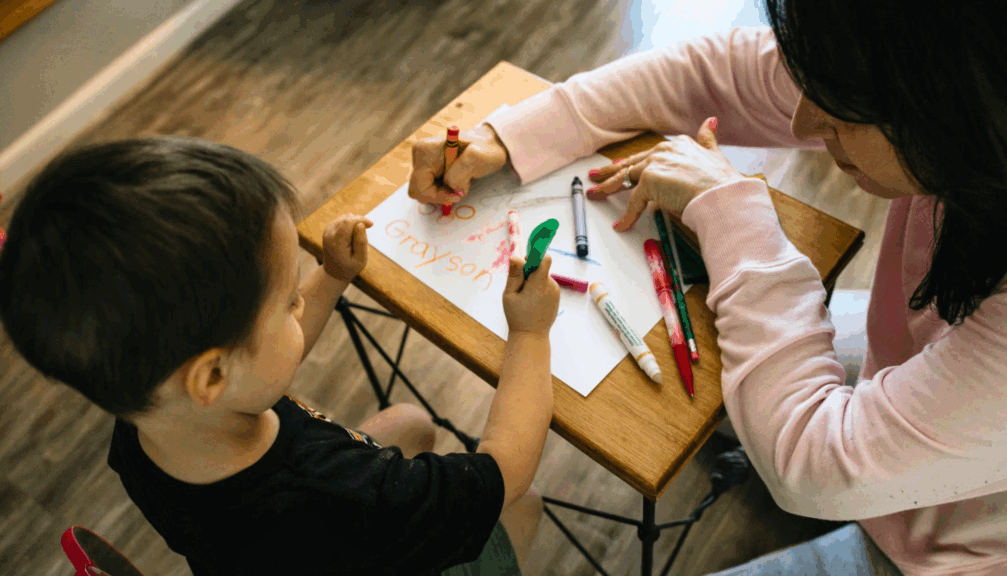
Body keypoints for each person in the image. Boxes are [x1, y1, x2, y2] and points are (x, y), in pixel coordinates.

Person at [407, 0, 1007, 574]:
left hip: (957, 551)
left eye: (840, 108)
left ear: (954, 102)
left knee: (752, 414)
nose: (802, 120)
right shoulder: (957, 89)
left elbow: (811, 463)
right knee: (724, 394)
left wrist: (733, 213)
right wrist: (509, 136)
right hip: (921, 372)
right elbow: (716, 73)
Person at [0, 136, 561, 575]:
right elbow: (504, 472)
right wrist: (531, 334)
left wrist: (331, 277)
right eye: (290, 303)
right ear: (211, 374)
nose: (299, 305)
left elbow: (256, 366)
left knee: (412, 422)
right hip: (358, 542)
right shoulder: (343, 496)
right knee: (526, 505)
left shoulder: (147, 419)